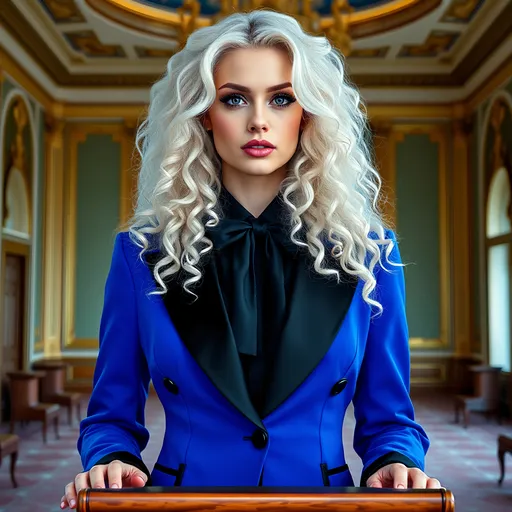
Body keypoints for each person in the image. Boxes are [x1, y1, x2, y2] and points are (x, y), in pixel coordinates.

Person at [60, 9, 441, 510]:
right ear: (202, 114)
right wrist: (112, 458)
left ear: (307, 114)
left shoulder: (370, 252)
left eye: (281, 98)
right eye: (234, 99)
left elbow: (390, 418)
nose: (258, 120)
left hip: (321, 504)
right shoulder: (139, 254)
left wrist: (397, 458)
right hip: (182, 503)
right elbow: (110, 415)